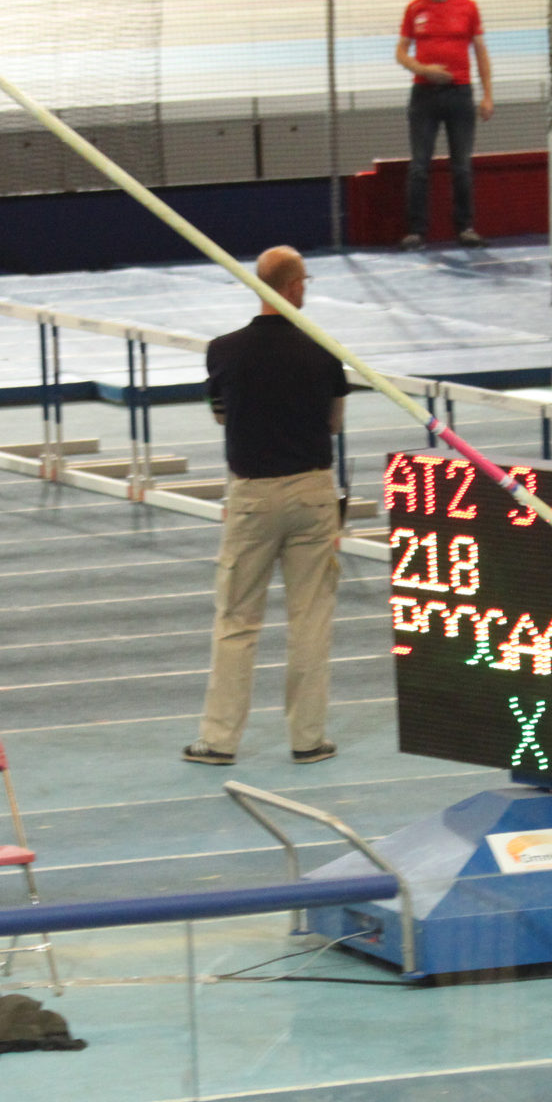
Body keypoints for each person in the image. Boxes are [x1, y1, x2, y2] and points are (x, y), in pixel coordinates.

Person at [184, 246, 347, 768]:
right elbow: (334, 424)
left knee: (236, 620)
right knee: (310, 620)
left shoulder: (223, 351)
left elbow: (219, 415)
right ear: (296, 286)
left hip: (252, 497)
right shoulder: (324, 349)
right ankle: (307, 738)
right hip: (312, 494)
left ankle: (219, 739)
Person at [394, 0, 493, 251]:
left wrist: (487, 94)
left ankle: (465, 228)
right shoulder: (415, 10)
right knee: (419, 166)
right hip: (424, 96)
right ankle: (416, 231)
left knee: (461, 165)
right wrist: (424, 70)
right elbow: (401, 52)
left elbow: (480, 52)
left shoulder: (467, 8)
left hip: (459, 94)